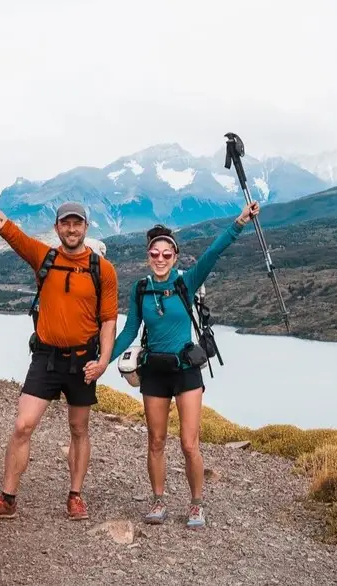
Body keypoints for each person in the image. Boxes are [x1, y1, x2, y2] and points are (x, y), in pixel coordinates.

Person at [0, 176, 119, 522]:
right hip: (45, 357)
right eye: (66, 223)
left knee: (79, 429)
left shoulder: (102, 269)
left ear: (86, 227)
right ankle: (7, 499)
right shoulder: (43, 257)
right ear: (57, 227)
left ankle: (75, 495)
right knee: (23, 426)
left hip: (83, 360)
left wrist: (103, 360)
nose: (71, 229)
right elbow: (5, 227)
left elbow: (108, 320)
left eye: (77, 223)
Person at [109, 201, 260, 529]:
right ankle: (158, 500)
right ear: (148, 257)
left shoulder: (186, 283)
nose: (160, 259)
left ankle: (196, 504)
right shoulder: (140, 290)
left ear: (175, 258)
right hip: (153, 373)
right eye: (155, 254)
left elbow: (213, 253)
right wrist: (101, 361)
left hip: (185, 371)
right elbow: (129, 332)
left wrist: (240, 221)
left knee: (190, 443)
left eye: (166, 254)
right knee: (156, 440)